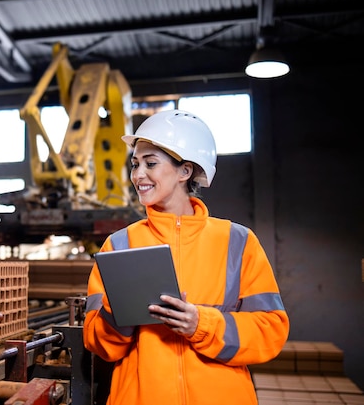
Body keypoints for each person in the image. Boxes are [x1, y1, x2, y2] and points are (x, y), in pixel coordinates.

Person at [83, 109, 289, 405]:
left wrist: (201, 325)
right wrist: (115, 309)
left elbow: (271, 331)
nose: (138, 175)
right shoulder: (120, 244)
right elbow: (99, 344)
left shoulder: (237, 241)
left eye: (150, 163)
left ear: (185, 171)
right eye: (135, 164)